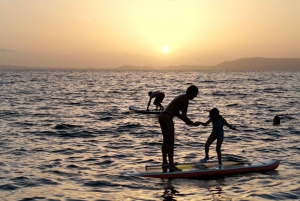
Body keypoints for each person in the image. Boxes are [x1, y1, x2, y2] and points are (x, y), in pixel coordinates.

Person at [158, 85, 201, 171]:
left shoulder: (181, 97)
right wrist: (192, 123)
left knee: (165, 140)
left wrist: (186, 122)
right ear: (191, 93)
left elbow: (177, 113)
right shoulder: (185, 100)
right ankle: (171, 165)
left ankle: (165, 162)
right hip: (167, 118)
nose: (195, 96)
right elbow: (184, 115)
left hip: (162, 116)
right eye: (195, 94)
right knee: (170, 142)